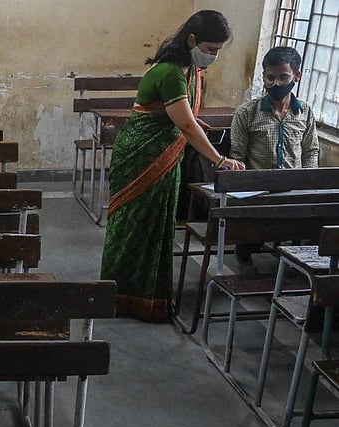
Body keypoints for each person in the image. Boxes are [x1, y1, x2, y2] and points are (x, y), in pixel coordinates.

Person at [99, 10, 245, 322]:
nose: (213, 57)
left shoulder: (190, 70)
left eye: (218, 51)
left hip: (165, 155)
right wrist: (220, 160)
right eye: (210, 50)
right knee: (133, 228)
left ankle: (146, 297)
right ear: (191, 40)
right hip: (142, 157)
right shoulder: (171, 73)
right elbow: (188, 128)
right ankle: (118, 296)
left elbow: (185, 119)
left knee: (156, 227)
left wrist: (193, 123)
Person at [230, 46, 320, 274]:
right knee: (255, 231)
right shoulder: (246, 113)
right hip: (258, 190)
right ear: (264, 77)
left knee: (313, 221)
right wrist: (243, 186)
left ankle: (296, 259)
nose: (276, 84)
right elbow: (237, 156)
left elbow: (310, 151)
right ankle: (246, 253)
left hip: (293, 188)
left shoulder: (305, 112)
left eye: (283, 77)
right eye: (270, 78)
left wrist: (307, 183)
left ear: (296, 76)